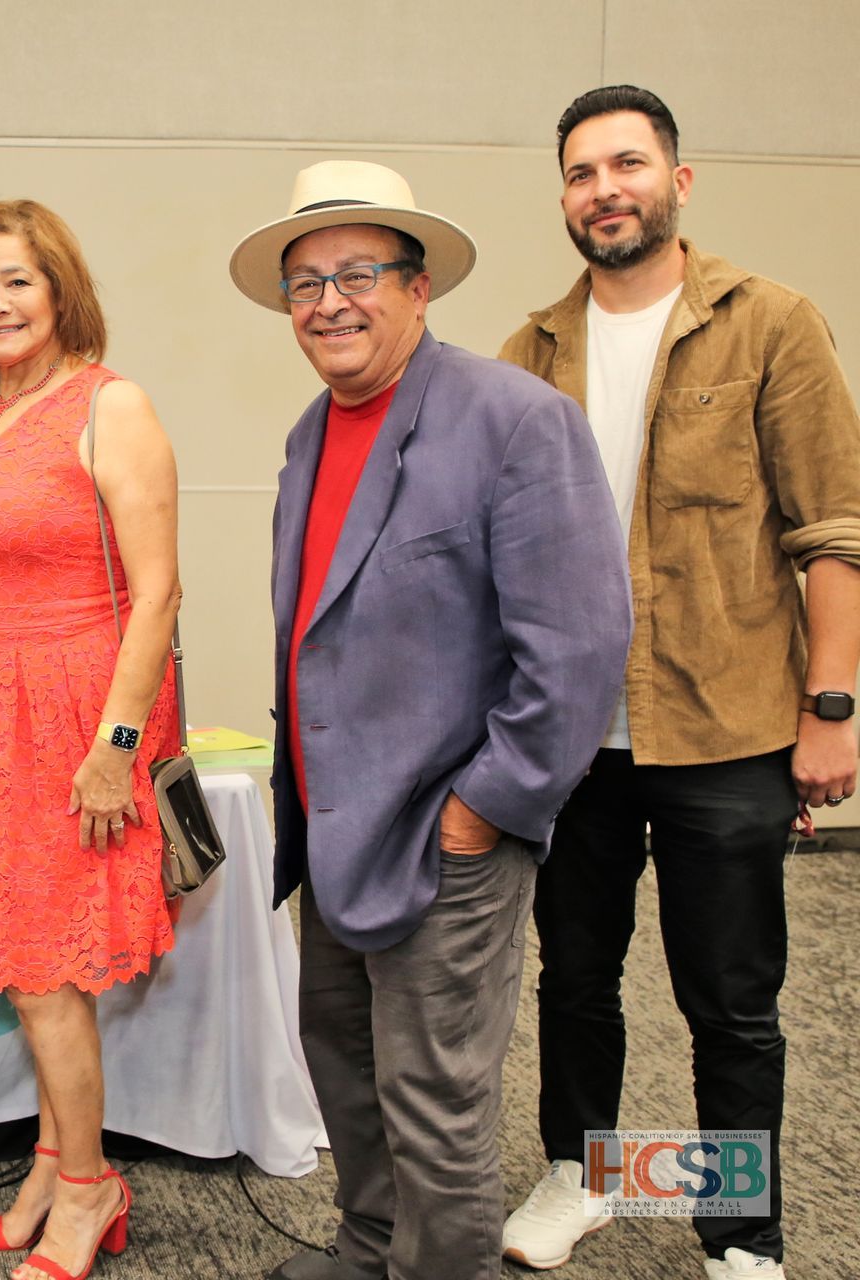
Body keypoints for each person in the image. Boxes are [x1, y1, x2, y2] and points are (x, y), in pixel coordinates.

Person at [228, 161, 633, 1280]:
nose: (329, 303)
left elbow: (582, 646)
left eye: (358, 273)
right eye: (304, 283)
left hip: (444, 833)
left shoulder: (514, 419)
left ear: (418, 289)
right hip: (333, 825)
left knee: (436, 1098)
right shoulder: (313, 435)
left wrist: (482, 808)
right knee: (346, 1067)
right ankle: (370, 1248)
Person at [498, 87, 860, 1280]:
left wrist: (831, 710)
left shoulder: (771, 324)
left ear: (678, 180)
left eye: (628, 164)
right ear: (563, 197)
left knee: (732, 997)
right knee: (577, 977)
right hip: (572, 736)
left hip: (732, 726)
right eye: (582, 172)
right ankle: (580, 1174)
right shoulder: (529, 349)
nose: (605, 189)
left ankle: (743, 1226)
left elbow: (835, 533)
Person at [0, 200, 181, 1280]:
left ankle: (88, 1187)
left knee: (43, 972)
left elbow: (158, 591)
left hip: (74, 720)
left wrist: (114, 743)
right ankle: (50, 1159)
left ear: (60, 288)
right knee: (28, 965)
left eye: (16, 280)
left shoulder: (112, 405)